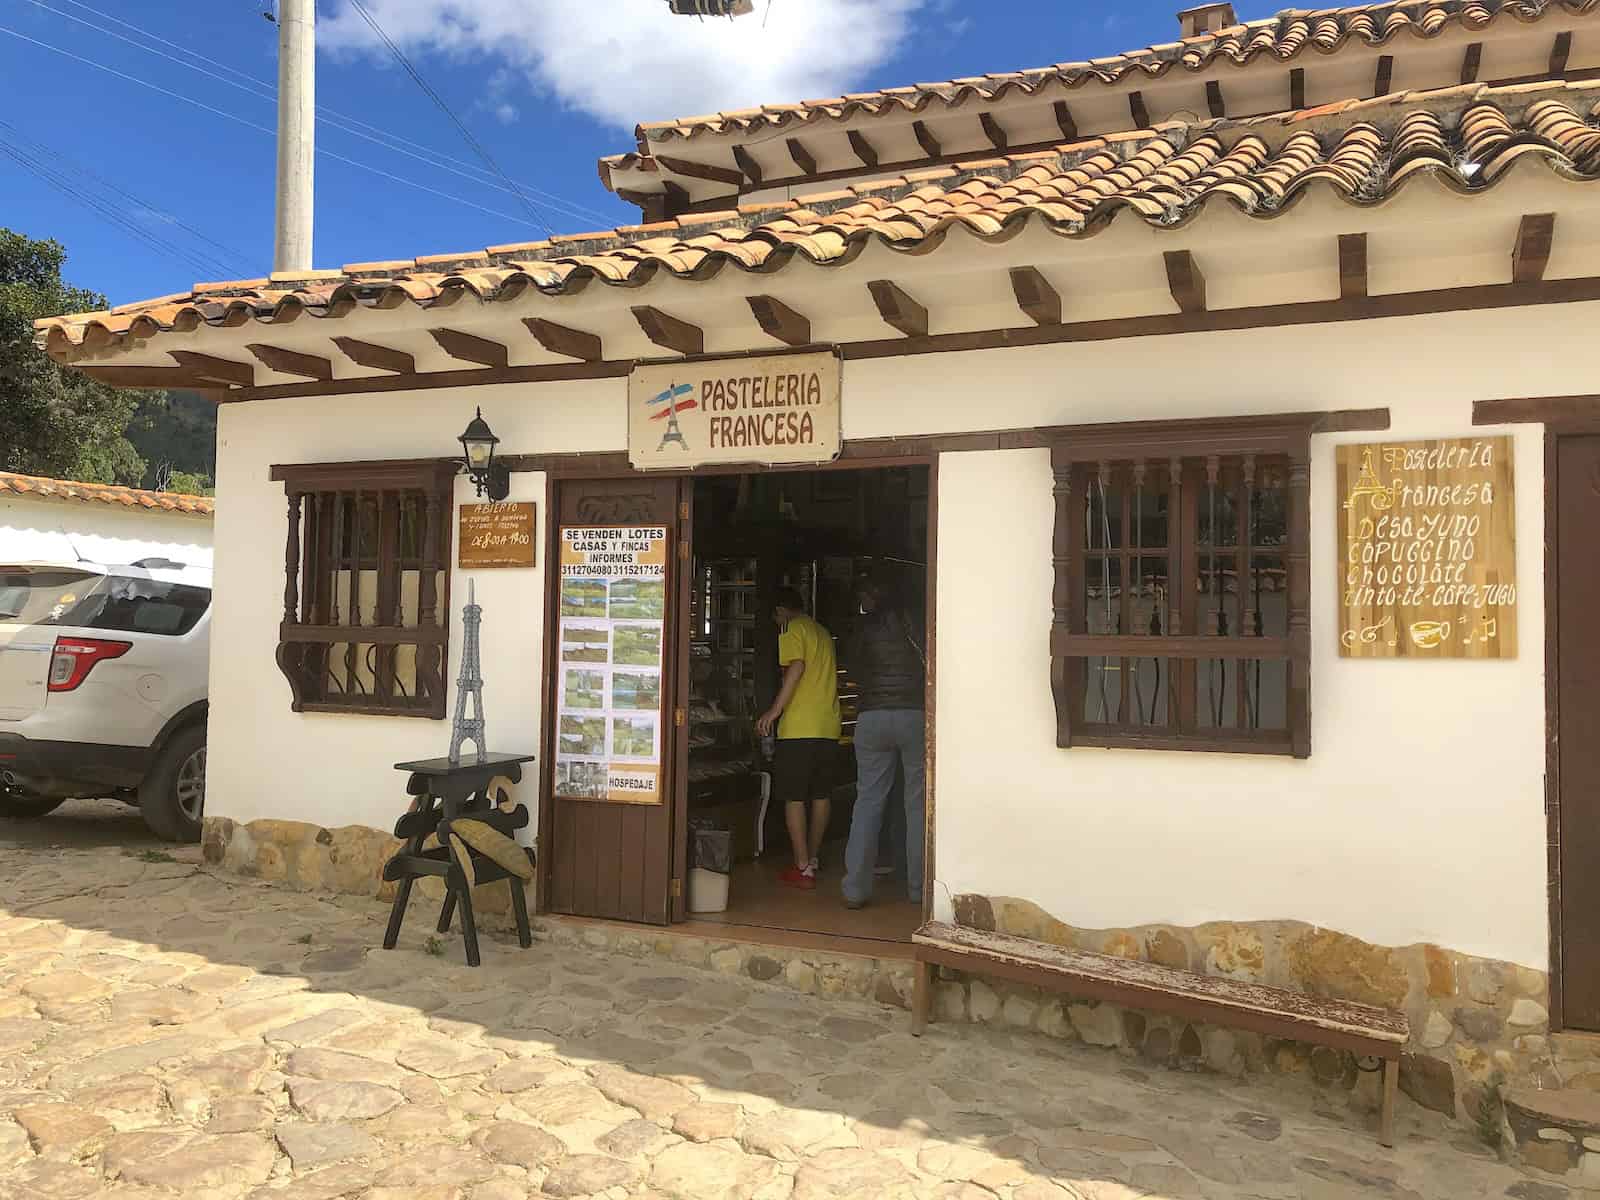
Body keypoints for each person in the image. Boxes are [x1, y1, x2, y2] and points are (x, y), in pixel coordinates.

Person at [842, 574, 926, 910]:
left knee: (867, 802)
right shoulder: (915, 624)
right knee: (916, 804)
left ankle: (855, 889)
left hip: (872, 718)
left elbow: (852, 669)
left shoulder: (862, 630)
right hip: (913, 715)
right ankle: (919, 889)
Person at [755, 587, 840, 890]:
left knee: (793, 796)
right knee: (820, 795)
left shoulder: (792, 628)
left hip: (799, 727)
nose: (776, 622)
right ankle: (813, 859)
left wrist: (774, 711)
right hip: (828, 726)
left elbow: (797, 666)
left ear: (782, 610)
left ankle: (802, 866)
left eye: (775, 616)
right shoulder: (822, 632)